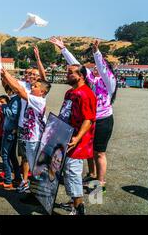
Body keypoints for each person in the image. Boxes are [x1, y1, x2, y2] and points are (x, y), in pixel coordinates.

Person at [50, 38, 117, 194]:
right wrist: (64, 49)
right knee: (88, 149)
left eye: (99, 67)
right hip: (88, 119)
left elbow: (103, 68)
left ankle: (100, 185)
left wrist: (96, 53)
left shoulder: (109, 82)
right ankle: (92, 174)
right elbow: (77, 67)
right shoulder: (90, 79)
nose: (96, 69)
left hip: (103, 120)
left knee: (99, 152)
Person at [0, 64, 51, 193]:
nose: (32, 87)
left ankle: (39, 191)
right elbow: (16, 85)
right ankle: (31, 188)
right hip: (28, 136)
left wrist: (5, 74)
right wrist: (4, 75)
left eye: (36, 86)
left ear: (42, 91)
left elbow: (18, 90)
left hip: (34, 139)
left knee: (35, 166)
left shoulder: (38, 100)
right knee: (31, 164)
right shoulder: (35, 97)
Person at [57, 64, 97, 215]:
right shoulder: (69, 93)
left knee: (73, 172)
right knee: (67, 171)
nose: (67, 75)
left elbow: (89, 119)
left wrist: (77, 138)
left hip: (78, 141)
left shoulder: (86, 94)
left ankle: (79, 207)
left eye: (70, 73)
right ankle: (74, 202)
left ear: (81, 76)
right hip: (66, 136)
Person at [0, 88, 23, 189]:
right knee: (12, 155)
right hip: (11, 130)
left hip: (10, 131)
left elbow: (12, 115)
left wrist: (4, 106)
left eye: (8, 89)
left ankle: (8, 180)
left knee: (5, 155)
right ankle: (17, 177)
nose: (7, 91)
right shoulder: (15, 99)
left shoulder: (15, 100)